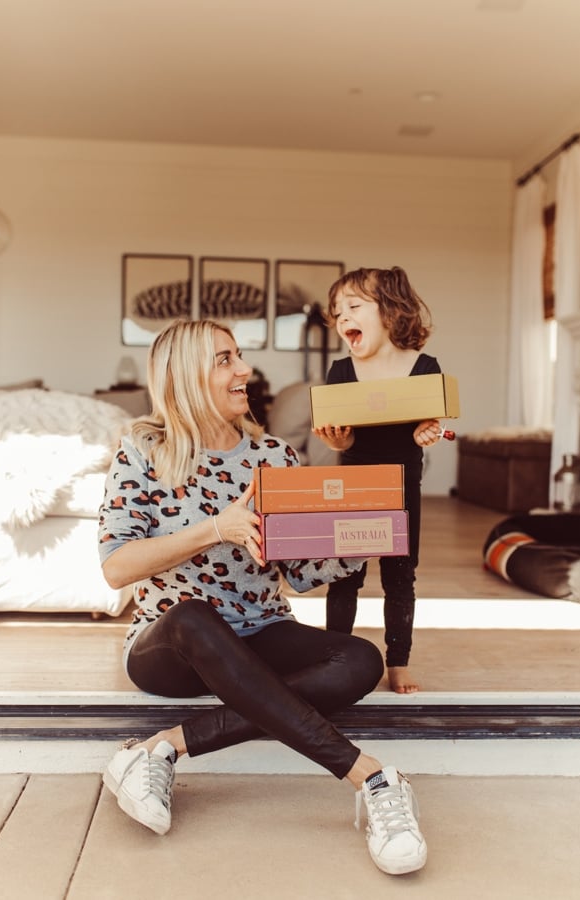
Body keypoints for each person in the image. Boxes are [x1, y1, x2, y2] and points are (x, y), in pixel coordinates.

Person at [98, 318, 427, 876]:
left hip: (259, 632)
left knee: (359, 660)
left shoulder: (273, 456)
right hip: (173, 645)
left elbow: (298, 573)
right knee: (194, 616)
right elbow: (116, 568)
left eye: (238, 357)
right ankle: (369, 776)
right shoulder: (143, 451)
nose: (244, 371)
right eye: (225, 360)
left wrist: (363, 539)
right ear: (186, 375)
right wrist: (214, 529)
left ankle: (165, 747)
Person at [312, 266, 443, 694]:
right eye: (337, 311)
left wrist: (428, 431)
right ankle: (337, 652)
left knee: (400, 575)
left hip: (404, 484)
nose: (342, 316)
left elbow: (428, 425)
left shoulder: (424, 367)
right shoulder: (340, 370)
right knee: (345, 574)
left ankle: (398, 661)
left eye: (354, 306)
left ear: (390, 311)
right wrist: (341, 440)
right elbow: (340, 436)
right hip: (354, 486)